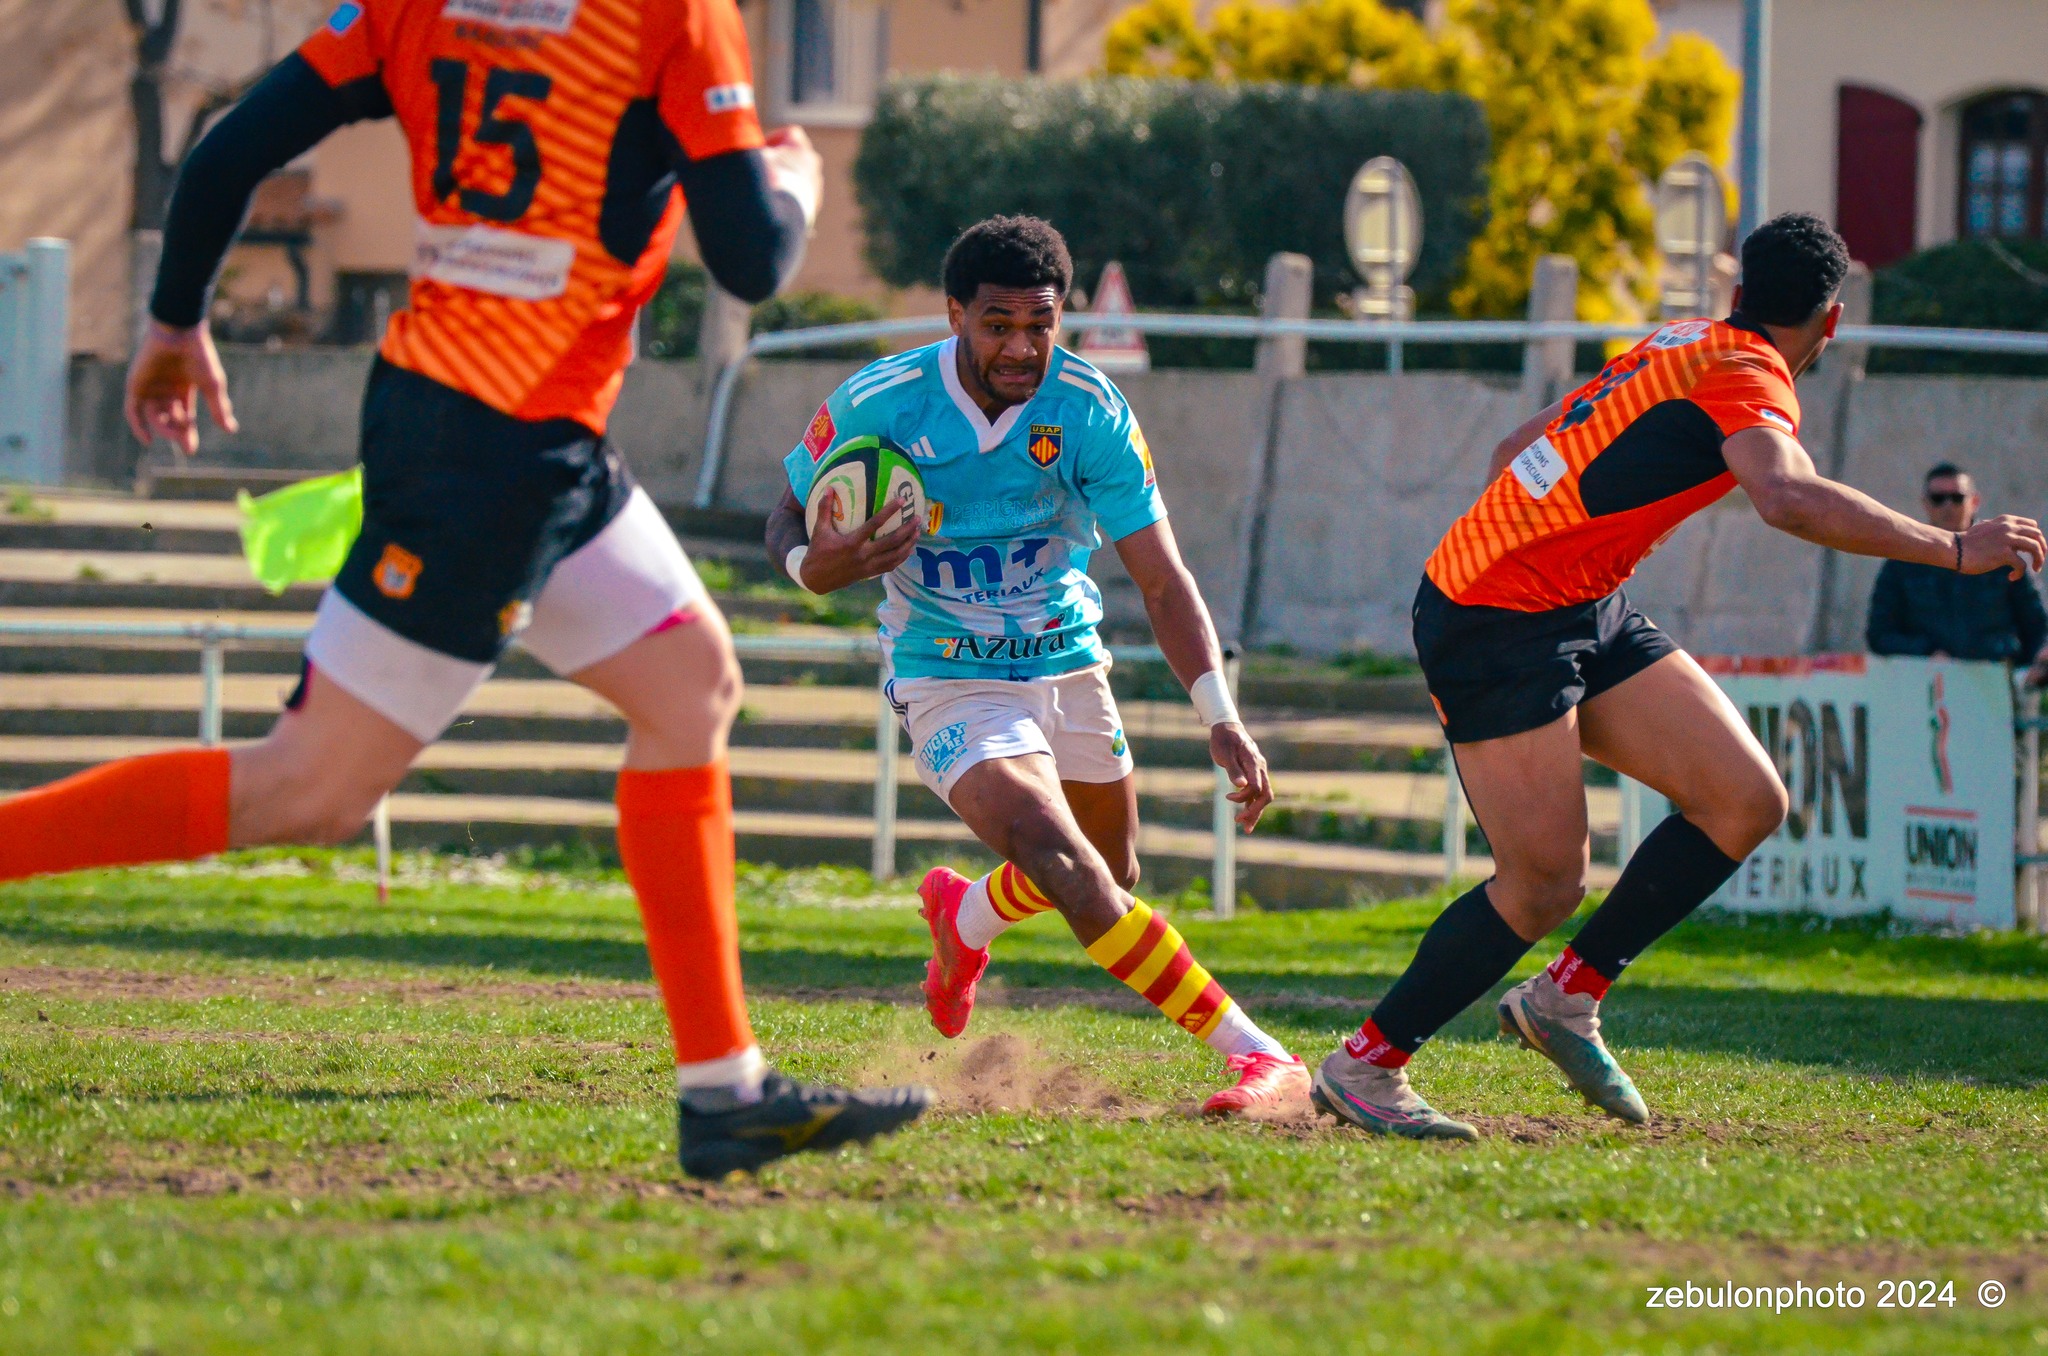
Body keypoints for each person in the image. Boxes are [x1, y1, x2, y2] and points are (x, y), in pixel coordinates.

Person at [1, 0, 931, 1179]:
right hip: (500, 450)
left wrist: (176, 318)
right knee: (311, 791)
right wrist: (790, 177)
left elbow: (233, 143)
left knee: (689, 683)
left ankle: (723, 1092)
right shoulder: (673, 14)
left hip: (495, 424)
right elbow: (752, 256)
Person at [1309, 213, 2048, 1140]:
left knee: (1744, 799)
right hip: (1497, 612)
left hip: (1572, 601)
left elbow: (1517, 451)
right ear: (1833, 321)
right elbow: (1782, 495)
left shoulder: (1683, 337)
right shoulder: (1748, 372)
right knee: (1542, 884)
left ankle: (1564, 1001)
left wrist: (1564, 543)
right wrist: (1951, 544)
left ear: (1740, 293)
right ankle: (1366, 1069)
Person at [763, 216, 1310, 1115]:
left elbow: (1163, 578)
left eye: (1040, 325)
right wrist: (808, 566)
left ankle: (965, 916)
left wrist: (1221, 712)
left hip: (1065, 660)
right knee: (1065, 863)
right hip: (943, 670)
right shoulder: (882, 400)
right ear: (955, 316)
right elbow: (786, 512)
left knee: (1109, 870)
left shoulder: (1089, 408)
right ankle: (1260, 1055)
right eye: (997, 325)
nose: (1021, 346)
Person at [1867, 463, 2048, 686]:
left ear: (1974, 502)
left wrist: (2030, 671)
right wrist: (1928, 652)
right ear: (1925, 504)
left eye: (1957, 497)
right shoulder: (1904, 561)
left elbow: (2037, 625)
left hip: (1997, 685)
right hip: (1929, 688)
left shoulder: (2001, 555)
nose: (1948, 506)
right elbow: (1880, 635)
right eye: (1938, 498)